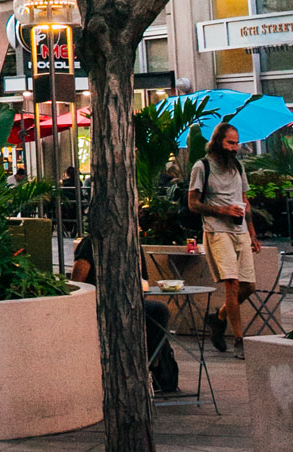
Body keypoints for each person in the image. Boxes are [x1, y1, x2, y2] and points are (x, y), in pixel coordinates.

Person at [188, 122, 262, 359]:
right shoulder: (202, 167)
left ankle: (218, 318)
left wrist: (252, 232)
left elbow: (245, 200)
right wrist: (223, 211)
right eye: (230, 142)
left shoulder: (237, 167)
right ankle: (239, 339)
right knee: (232, 283)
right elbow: (193, 204)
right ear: (218, 141)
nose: (234, 147)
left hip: (239, 231)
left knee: (248, 285)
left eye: (236, 142)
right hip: (216, 230)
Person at [71, 236, 177, 392]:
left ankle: (149, 365)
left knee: (158, 311)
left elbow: (143, 282)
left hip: (128, 303)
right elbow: (78, 280)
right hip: (98, 303)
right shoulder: (90, 242)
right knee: (154, 311)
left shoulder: (133, 242)